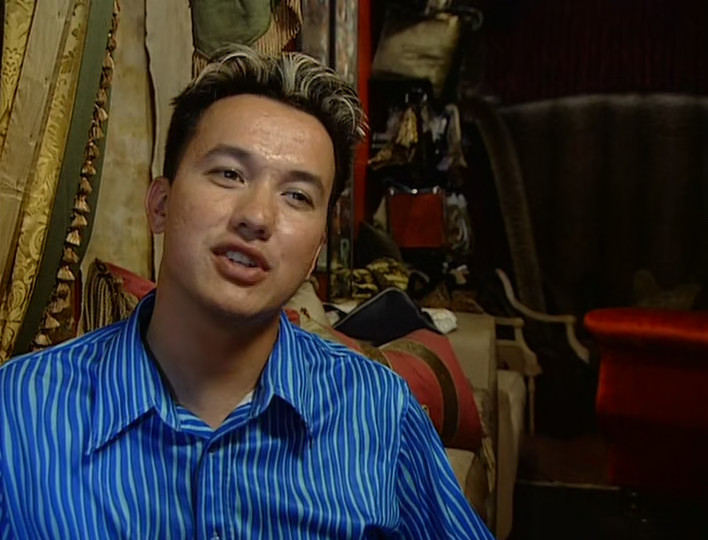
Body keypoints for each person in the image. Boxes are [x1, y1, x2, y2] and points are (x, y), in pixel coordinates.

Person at [0, 46, 494, 539]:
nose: (257, 217)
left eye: (297, 196)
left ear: (316, 250)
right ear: (161, 205)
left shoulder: (377, 411)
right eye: (229, 174)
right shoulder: (20, 410)